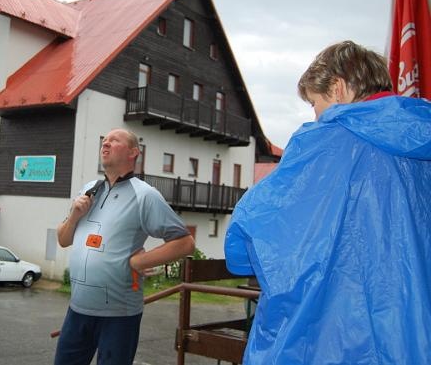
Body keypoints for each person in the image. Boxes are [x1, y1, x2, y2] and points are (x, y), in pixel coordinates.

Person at [224, 40, 431, 364]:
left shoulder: (322, 143)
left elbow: (255, 224)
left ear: (337, 88)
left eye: (314, 103)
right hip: (414, 331)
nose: (316, 115)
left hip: (336, 333)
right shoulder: (422, 133)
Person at [54, 128, 195, 365]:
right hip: (78, 309)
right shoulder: (89, 190)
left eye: (114, 140)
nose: (105, 144)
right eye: (104, 140)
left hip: (119, 314)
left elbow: (185, 243)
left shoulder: (145, 195)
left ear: (133, 153)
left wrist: (140, 261)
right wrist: (74, 216)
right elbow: (63, 239)